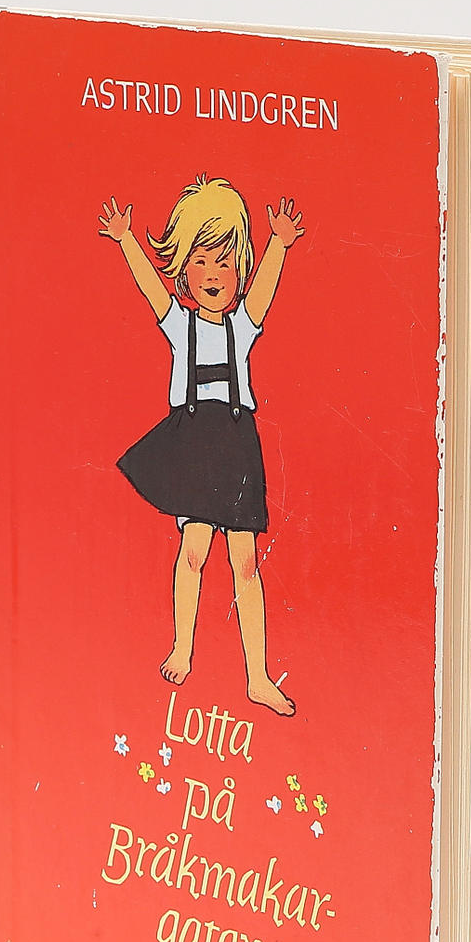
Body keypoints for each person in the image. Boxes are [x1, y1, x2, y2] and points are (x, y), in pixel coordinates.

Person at [102, 175, 303, 716]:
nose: (213, 274)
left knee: (246, 562)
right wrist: (126, 239)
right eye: (201, 261)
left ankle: (258, 677)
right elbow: (150, 290)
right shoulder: (179, 325)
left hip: (236, 447)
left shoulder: (243, 326)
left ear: (240, 266)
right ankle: (182, 649)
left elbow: (264, 292)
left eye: (225, 261)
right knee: (192, 553)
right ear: (185, 270)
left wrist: (279, 243)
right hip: (193, 445)